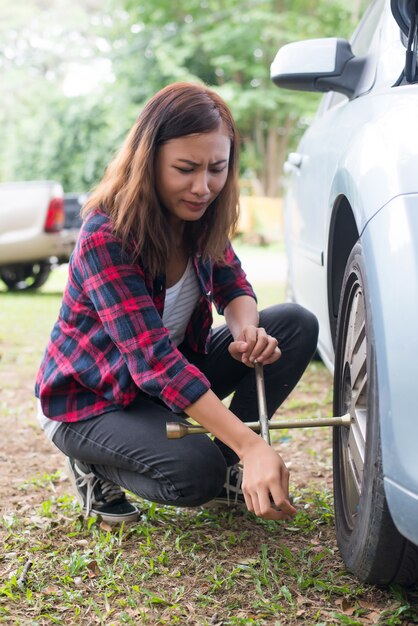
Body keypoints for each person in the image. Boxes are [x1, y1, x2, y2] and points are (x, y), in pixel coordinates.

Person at [35, 82, 318, 525]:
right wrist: (252, 443)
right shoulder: (104, 236)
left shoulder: (201, 217)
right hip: (94, 399)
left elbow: (234, 286)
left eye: (216, 169)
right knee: (193, 476)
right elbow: (154, 362)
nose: (203, 187)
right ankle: (95, 464)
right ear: (148, 162)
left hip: (162, 381)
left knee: (295, 324)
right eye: (185, 168)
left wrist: (247, 334)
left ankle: (229, 465)